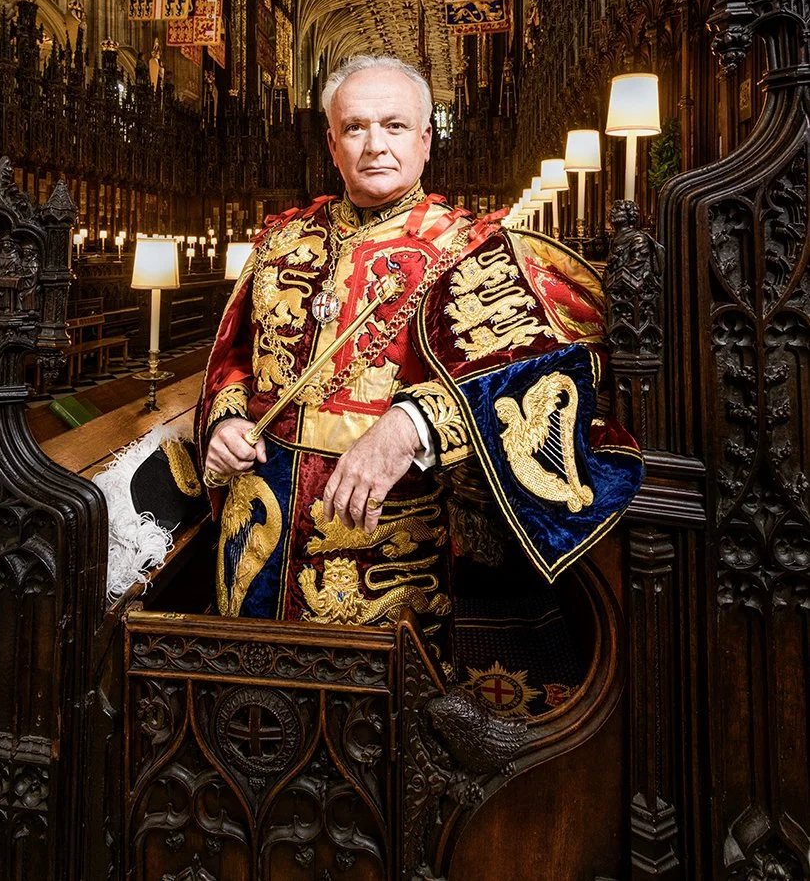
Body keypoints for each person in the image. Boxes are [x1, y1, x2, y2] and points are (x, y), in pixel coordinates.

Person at [196, 54, 642, 663]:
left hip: (385, 533)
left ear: (426, 140)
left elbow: (542, 362)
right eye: (355, 127)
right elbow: (235, 356)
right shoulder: (281, 240)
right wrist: (225, 420)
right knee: (249, 686)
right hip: (257, 522)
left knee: (381, 696)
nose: (375, 145)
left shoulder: (471, 248)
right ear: (331, 143)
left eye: (395, 126)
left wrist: (411, 424)